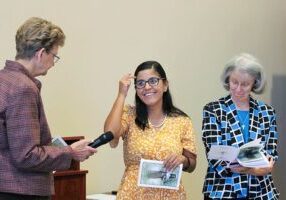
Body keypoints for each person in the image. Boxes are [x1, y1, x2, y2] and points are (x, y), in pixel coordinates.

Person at [0, 17, 97, 200]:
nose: (53, 63)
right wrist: (71, 152)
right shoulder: (23, 88)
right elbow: (26, 155)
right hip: (21, 191)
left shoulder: (4, 80)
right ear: (41, 53)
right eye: (54, 56)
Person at [104, 61, 197, 199]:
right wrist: (121, 94)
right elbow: (110, 135)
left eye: (153, 81)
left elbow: (192, 164)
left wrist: (183, 160)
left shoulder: (182, 121)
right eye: (140, 83)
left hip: (171, 195)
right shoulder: (129, 115)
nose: (147, 87)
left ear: (165, 85)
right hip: (133, 195)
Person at [202, 53, 279, 199]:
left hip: (261, 192)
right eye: (234, 82)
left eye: (245, 84)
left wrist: (264, 167)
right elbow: (214, 155)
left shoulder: (267, 112)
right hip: (223, 191)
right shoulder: (213, 110)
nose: (238, 89)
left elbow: (271, 154)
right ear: (228, 79)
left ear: (255, 83)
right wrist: (252, 170)